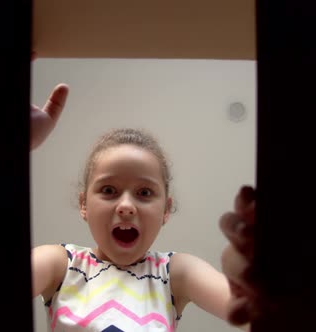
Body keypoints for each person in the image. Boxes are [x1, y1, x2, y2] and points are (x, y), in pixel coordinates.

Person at [30, 55, 259, 331]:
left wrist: (254, 270)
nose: (126, 205)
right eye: (109, 190)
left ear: (165, 210)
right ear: (84, 204)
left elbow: (256, 312)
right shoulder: (58, 264)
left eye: (144, 193)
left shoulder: (177, 272)